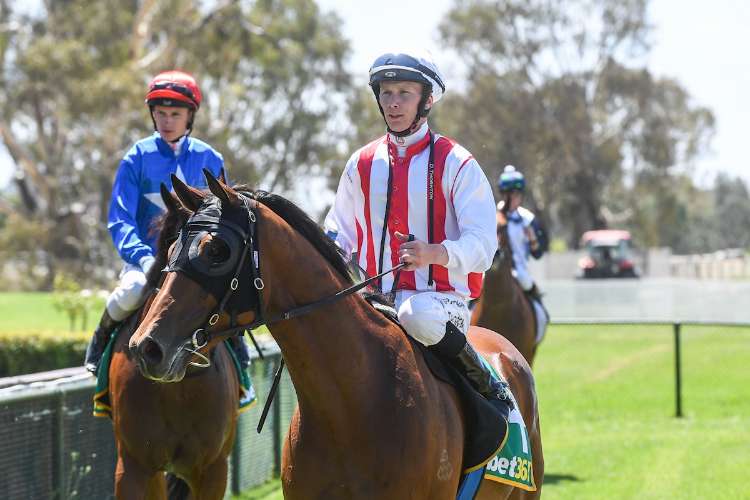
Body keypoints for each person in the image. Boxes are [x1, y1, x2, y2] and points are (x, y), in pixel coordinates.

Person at [324, 50, 513, 421]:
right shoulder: (361, 163)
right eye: (386, 93)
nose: (393, 103)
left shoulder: (458, 162)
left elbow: (484, 247)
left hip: (441, 306)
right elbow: (337, 232)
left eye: (404, 93)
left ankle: (485, 382)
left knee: (415, 313)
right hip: (372, 305)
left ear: (427, 100)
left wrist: (435, 254)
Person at [84, 70, 250, 375]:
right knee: (132, 291)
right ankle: (101, 338)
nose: (167, 120)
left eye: (175, 114)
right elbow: (120, 219)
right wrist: (143, 257)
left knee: (226, 300)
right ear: (152, 114)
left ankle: (239, 360)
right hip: (146, 259)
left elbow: (225, 217)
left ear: (190, 116)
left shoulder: (210, 158)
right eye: (161, 113)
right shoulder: (136, 157)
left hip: (198, 263)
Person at [497, 165, 549, 340]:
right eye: (508, 194)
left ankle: (538, 317)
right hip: (492, 269)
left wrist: (532, 239)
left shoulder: (528, 219)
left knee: (527, 283)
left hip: (519, 269)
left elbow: (538, 253)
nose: (512, 198)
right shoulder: (491, 214)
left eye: (516, 194)